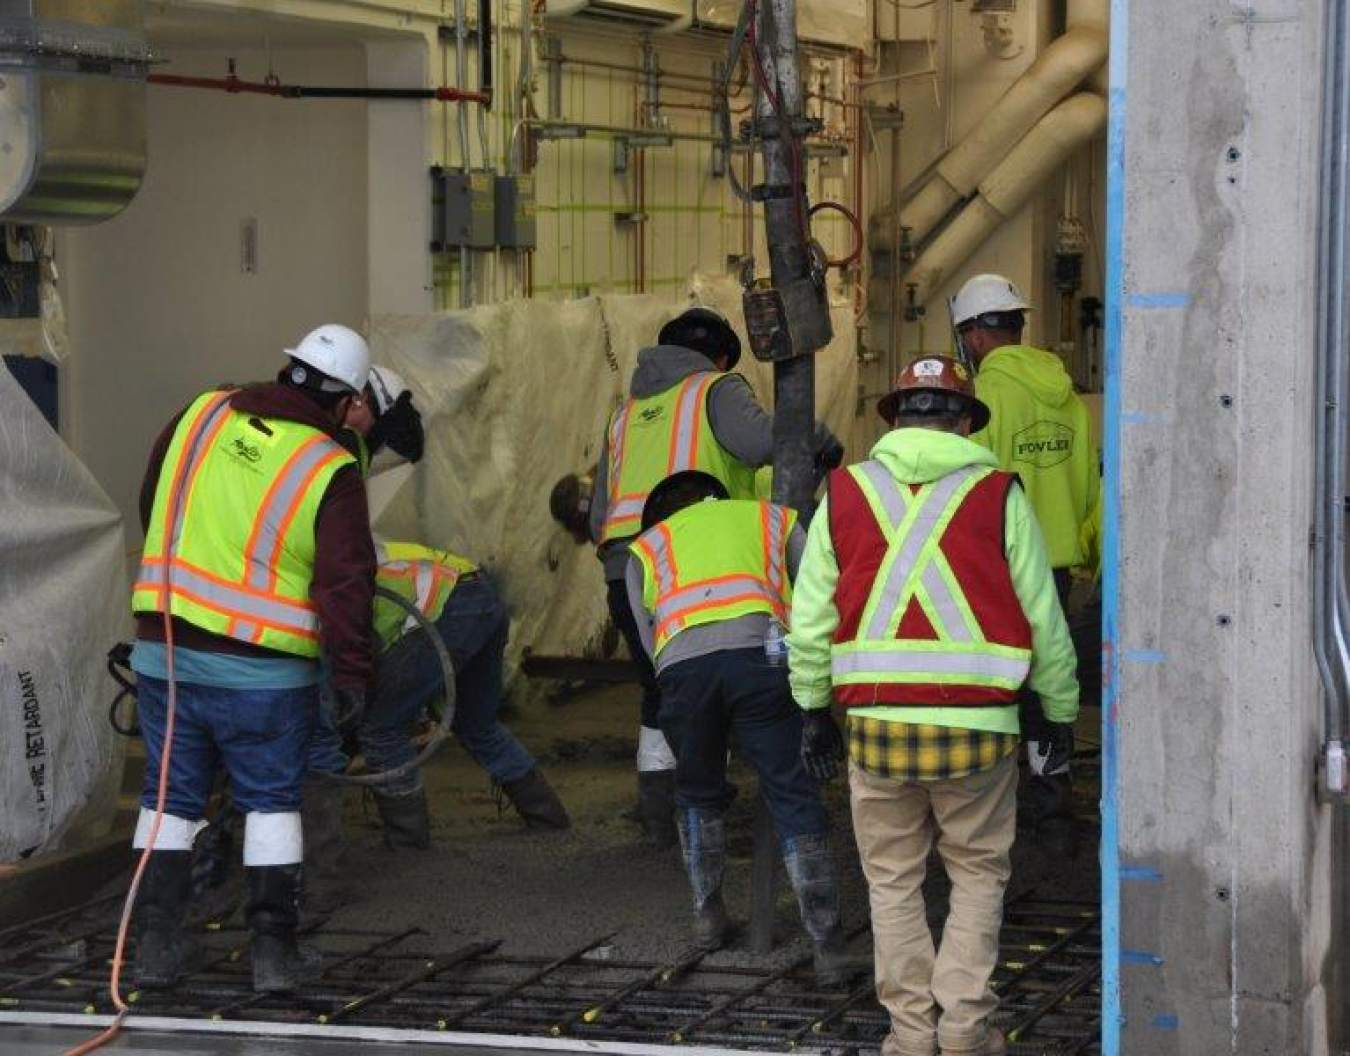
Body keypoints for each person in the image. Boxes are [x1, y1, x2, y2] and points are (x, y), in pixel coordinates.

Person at [787, 356, 1079, 1056]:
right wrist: (1059, 716)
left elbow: (809, 619)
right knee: (978, 876)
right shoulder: (999, 494)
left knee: (892, 883)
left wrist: (810, 707)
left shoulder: (845, 492)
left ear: (897, 418)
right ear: (964, 421)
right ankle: (968, 1033)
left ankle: (911, 1039)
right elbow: (1045, 618)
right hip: (978, 736)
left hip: (879, 733)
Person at [127, 324, 376, 995]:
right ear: (343, 399)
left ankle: (153, 946)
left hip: (167, 651)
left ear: (289, 369)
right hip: (264, 672)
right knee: (269, 804)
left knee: (169, 801)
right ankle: (272, 955)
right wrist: (353, 676)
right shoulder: (330, 465)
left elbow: (155, 502)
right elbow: (345, 582)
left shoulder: (202, 412)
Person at [591, 306, 842, 846]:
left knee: (663, 689)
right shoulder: (715, 388)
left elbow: (598, 515)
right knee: (755, 680)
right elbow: (760, 444)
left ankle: (662, 814)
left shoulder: (622, 415)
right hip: (707, 568)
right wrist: (812, 432)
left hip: (631, 572)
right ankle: (756, 797)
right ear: (723, 355)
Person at [627, 471, 866, 986]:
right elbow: (820, 598)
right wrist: (811, 690)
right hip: (764, 659)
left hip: (684, 670)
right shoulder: (773, 519)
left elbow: (651, 646)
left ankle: (708, 916)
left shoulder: (646, 548)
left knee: (696, 790)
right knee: (790, 788)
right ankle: (827, 943)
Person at [950, 274, 1097, 854]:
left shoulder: (985, 394)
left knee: (991, 688)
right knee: (1050, 685)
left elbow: (972, 485)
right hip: (1054, 566)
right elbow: (1087, 487)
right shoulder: (1067, 393)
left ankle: (989, 817)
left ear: (974, 335)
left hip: (997, 564)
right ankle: (1054, 812)